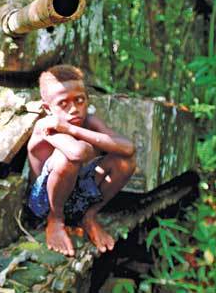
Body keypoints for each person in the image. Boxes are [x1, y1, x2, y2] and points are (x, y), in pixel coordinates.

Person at [27, 64, 136, 256]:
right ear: (47, 108)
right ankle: (55, 221)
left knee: (125, 163)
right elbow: (77, 153)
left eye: (79, 100)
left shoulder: (87, 122)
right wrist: (84, 138)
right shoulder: (46, 125)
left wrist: (73, 130)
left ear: (87, 100)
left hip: (74, 196)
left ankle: (89, 216)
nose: (74, 109)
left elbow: (128, 148)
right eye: (63, 104)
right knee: (66, 159)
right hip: (43, 203)